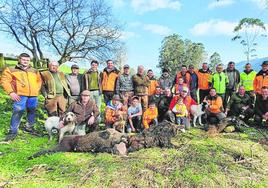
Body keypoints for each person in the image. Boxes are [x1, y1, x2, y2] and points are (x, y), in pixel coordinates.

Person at [1, 53, 42, 141]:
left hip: (33, 95)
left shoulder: (34, 70)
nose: (25, 61)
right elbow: (4, 81)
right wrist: (11, 92)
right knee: (18, 110)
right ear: (19, 59)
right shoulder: (11, 69)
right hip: (20, 94)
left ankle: (29, 127)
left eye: (27, 60)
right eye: (23, 60)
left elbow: (39, 81)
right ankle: (13, 131)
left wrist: (36, 89)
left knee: (32, 110)